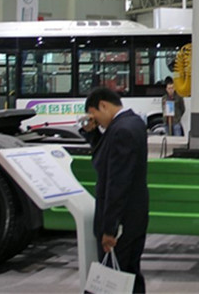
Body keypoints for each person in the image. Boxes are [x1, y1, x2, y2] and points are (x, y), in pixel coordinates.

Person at [80, 87, 149, 293]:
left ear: (103, 105)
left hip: (122, 221)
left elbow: (117, 183)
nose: (96, 121)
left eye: (93, 114)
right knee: (129, 274)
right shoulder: (133, 123)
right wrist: (91, 133)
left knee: (115, 278)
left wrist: (110, 229)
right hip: (135, 216)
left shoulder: (121, 131)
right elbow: (106, 157)